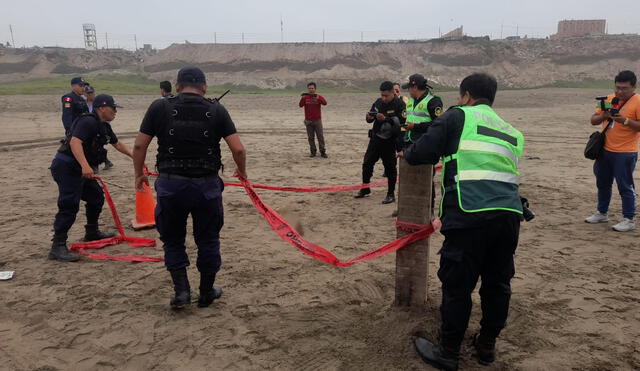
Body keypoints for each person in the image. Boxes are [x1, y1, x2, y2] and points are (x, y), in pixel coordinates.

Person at [402, 73, 525, 370]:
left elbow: (423, 151)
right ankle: (486, 347)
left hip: (470, 214)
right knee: (497, 284)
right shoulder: (511, 130)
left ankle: (448, 352)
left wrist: (406, 152)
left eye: (460, 97)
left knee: (457, 286)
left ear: (466, 95)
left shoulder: (459, 117)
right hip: (509, 217)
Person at [133, 66, 247, 310]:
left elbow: (139, 146)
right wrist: (242, 171)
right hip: (206, 186)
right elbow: (238, 149)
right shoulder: (217, 109)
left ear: (176, 85)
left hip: (171, 185)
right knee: (208, 239)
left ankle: (182, 291)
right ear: (204, 87)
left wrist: (139, 174)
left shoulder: (159, 106)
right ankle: (206, 292)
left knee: (173, 240)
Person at [50, 94, 134, 262]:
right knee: (69, 204)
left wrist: (135, 156)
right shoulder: (87, 122)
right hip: (67, 167)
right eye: (113, 108)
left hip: (81, 169)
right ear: (101, 108)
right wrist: (85, 166)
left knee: (96, 197)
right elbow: (75, 142)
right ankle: (57, 246)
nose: (116, 111)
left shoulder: (105, 126)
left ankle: (92, 232)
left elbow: (117, 144)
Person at [585, 70, 640, 232]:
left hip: (625, 152)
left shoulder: (638, 102)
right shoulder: (608, 99)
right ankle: (602, 213)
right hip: (605, 151)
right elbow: (593, 120)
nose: (620, 92)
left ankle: (629, 219)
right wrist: (605, 115)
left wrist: (626, 121)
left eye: (624, 88)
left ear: (633, 87)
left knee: (625, 186)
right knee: (602, 183)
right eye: (617, 88)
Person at [354, 81, 405, 204]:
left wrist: (386, 119)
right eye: (382, 95)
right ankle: (365, 189)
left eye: (386, 95)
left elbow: (402, 122)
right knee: (367, 164)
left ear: (393, 93)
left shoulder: (400, 104)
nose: (383, 98)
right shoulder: (378, 102)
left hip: (390, 141)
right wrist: (369, 117)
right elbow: (370, 118)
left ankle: (390, 194)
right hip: (376, 139)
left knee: (390, 168)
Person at [401, 74, 443, 146]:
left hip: (425, 144)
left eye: (409, 88)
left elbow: (438, 124)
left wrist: (415, 127)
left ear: (415, 87)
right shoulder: (410, 101)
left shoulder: (433, 101)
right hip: (410, 143)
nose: (408, 90)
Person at [85, 85, 114, 171]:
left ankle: (98, 165)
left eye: (92, 93)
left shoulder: (99, 102)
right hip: (89, 126)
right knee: (93, 146)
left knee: (98, 145)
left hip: (100, 126)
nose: (90, 95)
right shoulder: (83, 103)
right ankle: (105, 162)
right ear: (85, 94)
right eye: (88, 93)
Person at [298, 82, 328, 158]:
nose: (311, 90)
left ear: (315, 89)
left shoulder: (318, 97)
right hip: (308, 121)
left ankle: (323, 152)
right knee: (311, 138)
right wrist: (303, 98)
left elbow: (325, 103)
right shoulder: (305, 97)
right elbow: (300, 105)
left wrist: (319, 98)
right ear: (308, 89)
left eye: (312, 88)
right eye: (309, 88)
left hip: (317, 120)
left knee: (320, 137)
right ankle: (313, 152)